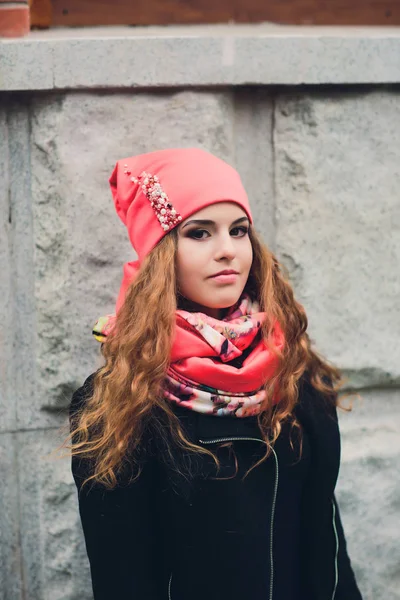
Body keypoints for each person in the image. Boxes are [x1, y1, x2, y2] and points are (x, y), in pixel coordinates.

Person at [68, 148, 363, 600]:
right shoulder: (123, 399)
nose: (227, 249)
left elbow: (327, 542)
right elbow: (122, 577)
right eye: (199, 232)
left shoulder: (293, 375)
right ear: (161, 253)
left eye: (238, 230)